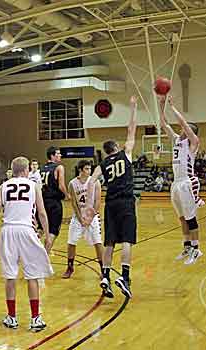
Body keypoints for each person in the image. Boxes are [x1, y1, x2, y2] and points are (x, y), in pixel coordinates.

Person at [0, 156, 53, 332]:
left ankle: (12, 317)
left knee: (10, 275)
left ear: (13, 170)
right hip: (26, 229)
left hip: (8, 230)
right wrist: (47, 234)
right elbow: (42, 213)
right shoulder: (34, 186)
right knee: (32, 275)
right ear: (26, 170)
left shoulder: (3, 186)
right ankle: (35, 318)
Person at [89, 95, 138, 298]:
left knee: (109, 242)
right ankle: (125, 277)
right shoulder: (125, 153)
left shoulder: (102, 165)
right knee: (126, 240)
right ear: (116, 148)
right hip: (126, 201)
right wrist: (133, 107)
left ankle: (105, 277)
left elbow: (92, 182)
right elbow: (131, 129)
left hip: (110, 204)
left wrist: (91, 206)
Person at [159, 95, 203, 265]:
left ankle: (196, 249)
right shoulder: (177, 140)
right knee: (182, 218)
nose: (183, 129)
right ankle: (187, 246)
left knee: (191, 218)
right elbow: (163, 124)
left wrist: (172, 107)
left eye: (187, 128)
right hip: (176, 183)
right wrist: (162, 105)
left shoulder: (194, 142)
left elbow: (182, 123)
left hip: (187, 182)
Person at [62, 160, 104, 282]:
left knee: (97, 242)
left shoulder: (95, 182)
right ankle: (70, 267)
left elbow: (97, 202)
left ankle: (103, 269)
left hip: (92, 217)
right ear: (80, 170)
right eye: (86, 169)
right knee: (71, 242)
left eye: (90, 169)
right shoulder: (72, 183)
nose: (89, 171)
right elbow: (74, 203)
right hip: (78, 217)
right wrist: (80, 218)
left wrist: (90, 218)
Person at [40, 146, 70, 251]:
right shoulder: (59, 167)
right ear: (52, 155)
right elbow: (61, 186)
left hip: (43, 202)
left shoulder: (42, 168)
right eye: (58, 153)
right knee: (53, 231)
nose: (60, 155)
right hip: (54, 203)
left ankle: (31, 251)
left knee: (41, 229)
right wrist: (67, 195)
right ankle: (44, 255)